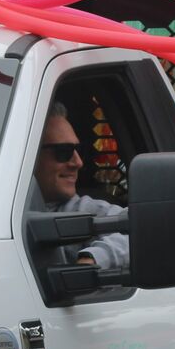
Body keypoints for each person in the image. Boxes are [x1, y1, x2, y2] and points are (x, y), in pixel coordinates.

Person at [31, 105, 126, 271]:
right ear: (29, 156)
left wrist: (91, 259)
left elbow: (142, 232)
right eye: (64, 152)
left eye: (78, 150)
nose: (78, 162)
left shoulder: (84, 210)